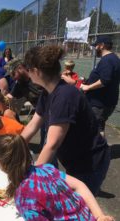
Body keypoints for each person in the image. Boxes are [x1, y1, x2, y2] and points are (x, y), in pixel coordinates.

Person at [21, 45, 110, 195]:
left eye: (28, 69)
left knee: (79, 210)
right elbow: (32, 125)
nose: (28, 73)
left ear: (36, 71)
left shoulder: (64, 96)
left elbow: (52, 144)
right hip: (75, 161)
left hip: (90, 163)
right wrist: (13, 149)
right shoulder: (47, 92)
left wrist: (31, 180)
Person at [0, 134, 115, 221]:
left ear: (0, 162)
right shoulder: (46, 169)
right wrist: (99, 217)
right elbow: (79, 185)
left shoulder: (24, 198)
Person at [80, 36, 120, 137]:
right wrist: (88, 81)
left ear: (101, 46)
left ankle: (99, 151)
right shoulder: (112, 59)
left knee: (95, 128)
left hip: (100, 103)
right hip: (103, 101)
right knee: (98, 126)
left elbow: (104, 80)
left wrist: (87, 87)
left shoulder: (108, 60)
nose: (95, 48)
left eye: (96, 46)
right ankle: (100, 150)